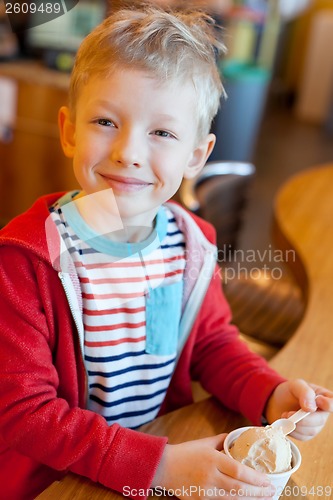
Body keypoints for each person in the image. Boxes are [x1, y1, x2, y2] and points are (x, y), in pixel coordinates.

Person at [0, 6, 332, 500]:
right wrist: (155, 466)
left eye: (162, 133)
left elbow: (210, 344)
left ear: (196, 155)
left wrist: (268, 392)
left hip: (165, 460)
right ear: (69, 131)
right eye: (106, 121)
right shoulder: (25, 261)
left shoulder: (190, 246)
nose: (129, 151)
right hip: (62, 484)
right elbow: (24, 414)